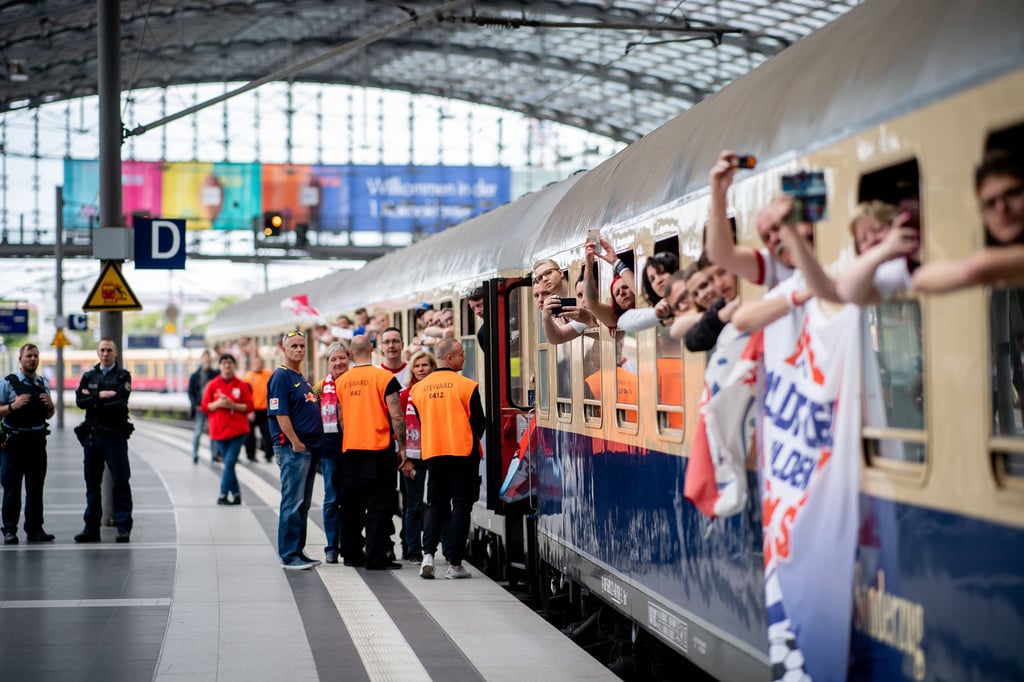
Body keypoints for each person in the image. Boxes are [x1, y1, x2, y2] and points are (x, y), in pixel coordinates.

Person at [410, 338, 486, 580]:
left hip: (433, 453)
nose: (465, 357)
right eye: (462, 354)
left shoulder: (418, 389)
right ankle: (455, 564)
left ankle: (428, 555)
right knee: (461, 508)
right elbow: (479, 424)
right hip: (463, 454)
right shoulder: (467, 386)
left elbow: (423, 421)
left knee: (436, 504)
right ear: (450, 358)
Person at [336, 335, 411, 570]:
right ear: (372, 348)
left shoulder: (342, 381)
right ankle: (375, 557)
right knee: (379, 505)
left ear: (350, 352)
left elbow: (341, 419)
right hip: (378, 451)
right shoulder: (384, 378)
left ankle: (351, 554)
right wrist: (403, 448)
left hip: (350, 450)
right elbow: (396, 415)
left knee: (351, 506)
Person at [267, 330, 323, 570]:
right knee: (292, 501)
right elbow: (280, 413)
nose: (299, 350)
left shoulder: (300, 376)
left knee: (303, 503)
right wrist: (295, 441)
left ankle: (298, 551)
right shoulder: (281, 377)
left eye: (302, 346)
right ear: (284, 349)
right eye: (294, 346)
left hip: (307, 449)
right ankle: (289, 555)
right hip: (293, 450)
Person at [73, 337, 134, 543]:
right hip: (92, 437)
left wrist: (93, 397)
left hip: (114, 437)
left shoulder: (123, 376)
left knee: (121, 481)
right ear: (97, 353)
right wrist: (101, 396)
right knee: (92, 484)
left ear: (116, 353)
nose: (106, 354)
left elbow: (119, 402)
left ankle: (123, 527)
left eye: (109, 350)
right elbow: (80, 402)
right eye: (102, 350)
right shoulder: (89, 374)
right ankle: (91, 528)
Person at [0, 343, 55, 544]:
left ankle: (35, 529)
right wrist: (13, 406)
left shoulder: (43, 383)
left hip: (37, 442)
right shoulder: (7, 383)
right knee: (12, 488)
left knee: (35, 488)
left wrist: (51, 407)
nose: (33, 359)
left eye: (35, 356)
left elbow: (49, 414)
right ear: (20, 359)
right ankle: (9, 529)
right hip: (14, 442)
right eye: (29, 356)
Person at [399, 350, 437, 564]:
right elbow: (400, 426)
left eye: (425, 365)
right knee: (413, 504)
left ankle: (433, 547)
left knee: (436, 502)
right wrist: (405, 456)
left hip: (434, 453)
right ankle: (412, 549)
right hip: (412, 456)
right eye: (417, 366)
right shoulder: (405, 395)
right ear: (412, 369)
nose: (422, 369)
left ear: (433, 367)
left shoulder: (436, 392)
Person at [201, 354, 253, 506]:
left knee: (229, 463)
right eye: (223, 363)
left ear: (234, 366)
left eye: (230, 363)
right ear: (219, 366)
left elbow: (249, 406)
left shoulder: (241, 385)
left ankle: (223, 494)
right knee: (229, 464)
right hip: (218, 431)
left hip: (238, 431)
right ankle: (236, 494)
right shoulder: (212, 385)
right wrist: (217, 404)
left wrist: (233, 405)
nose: (227, 366)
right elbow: (205, 406)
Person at [317, 342, 349, 564]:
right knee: (331, 499)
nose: (338, 363)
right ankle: (331, 546)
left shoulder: (356, 382)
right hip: (329, 450)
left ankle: (351, 542)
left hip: (354, 448)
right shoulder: (320, 388)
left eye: (341, 358)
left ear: (349, 358)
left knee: (352, 499)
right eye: (333, 359)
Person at [188, 350, 218, 464]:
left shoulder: (214, 374)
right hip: (199, 408)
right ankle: (195, 454)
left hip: (211, 407)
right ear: (201, 360)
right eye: (204, 358)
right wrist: (195, 405)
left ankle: (214, 455)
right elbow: (190, 392)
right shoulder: (195, 376)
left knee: (213, 432)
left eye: (208, 358)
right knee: (198, 431)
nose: (206, 360)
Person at [243, 356, 274, 463]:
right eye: (255, 363)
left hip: (266, 410)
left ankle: (268, 455)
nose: (258, 365)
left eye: (259, 363)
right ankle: (250, 455)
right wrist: (249, 410)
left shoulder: (269, 374)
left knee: (268, 433)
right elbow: (245, 395)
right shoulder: (248, 377)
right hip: (253, 410)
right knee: (250, 434)